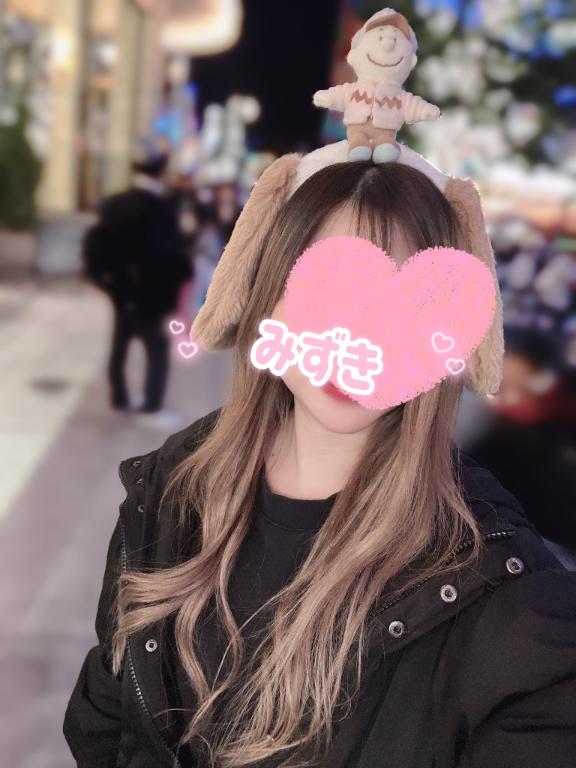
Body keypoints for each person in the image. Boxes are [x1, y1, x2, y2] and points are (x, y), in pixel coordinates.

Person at [82, 143, 193, 423]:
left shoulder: (115, 203)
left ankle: (119, 399)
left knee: (120, 343)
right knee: (157, 348)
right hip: (150, 293)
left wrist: (106, 280)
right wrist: (178, 280)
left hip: (120, 289)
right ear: (160, 172)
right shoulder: (160, 209)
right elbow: (167, 255)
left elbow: (96, 243)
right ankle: (152, 405)